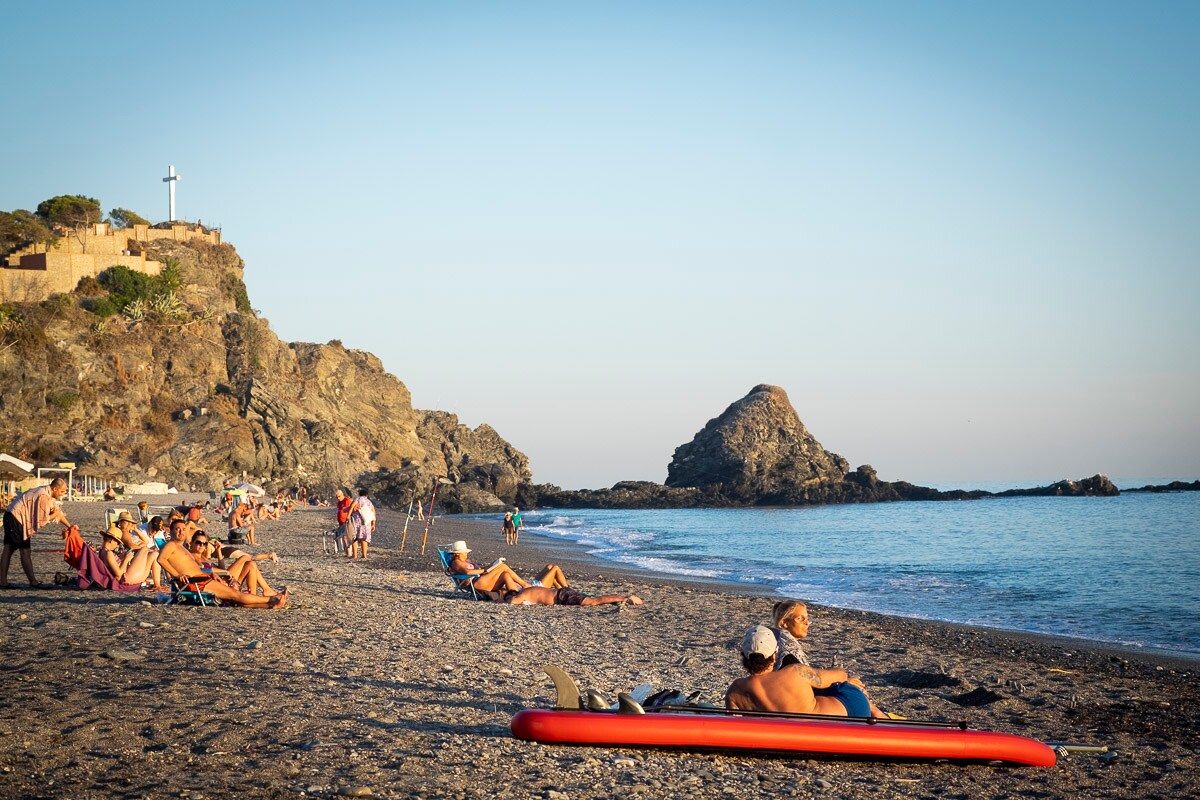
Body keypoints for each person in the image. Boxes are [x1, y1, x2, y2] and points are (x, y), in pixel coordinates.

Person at [725, 626, 885, 718]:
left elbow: (735, 721)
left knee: (810, 689)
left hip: (799, 722)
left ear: (744, 657)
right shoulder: (795, 672)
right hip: (851, 708)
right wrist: (842, 676)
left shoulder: (735, 690)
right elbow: (840, 675)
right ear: (774, 655)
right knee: (833, 684)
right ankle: (878, 714)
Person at [157, 522, 287, 609]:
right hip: (195, 583)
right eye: (177, 529)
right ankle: (271, 599)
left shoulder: (182, 548)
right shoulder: (171, 545)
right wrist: (177, 575)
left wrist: (211, 573)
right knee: (235, 595)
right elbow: (161, 559)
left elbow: (195, 567)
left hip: (202, 579)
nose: (180, 532)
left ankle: (270, 604)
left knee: (234, 597)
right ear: (171, 531)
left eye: (183, 529)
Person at [2, 478, 71, 589]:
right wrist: (56, 513)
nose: (63, 494)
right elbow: (44, 520)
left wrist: (70, 526)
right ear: (55, 489)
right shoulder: (43, 496)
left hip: (14, 517)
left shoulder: (48, 494)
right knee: (22, 551)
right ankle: (32, 582)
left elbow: (57, 512)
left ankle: (4, 582)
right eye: (62, 491)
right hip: (15, 518)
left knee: (9, 549)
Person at [445, 540, 568, 596]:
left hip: (482, 580)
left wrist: (491, 565)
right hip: (477, 583)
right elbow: (467, 572)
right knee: (555, 568)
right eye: (464, 552)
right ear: (457, 553)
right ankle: (567, 591)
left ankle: (563, 592)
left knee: (549, 567)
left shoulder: (464, 560)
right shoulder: (456, 563)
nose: (466, 554)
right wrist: (485, 570)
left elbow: (481, 569)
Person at [98, 522, 163, 591]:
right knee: (144, 549)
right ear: (112, 541)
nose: (117, 545)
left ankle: (157, 585)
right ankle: (157, 585)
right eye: (117, 543)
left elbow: (113, 567)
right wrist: (126, 559)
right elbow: (119, 574)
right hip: (127, 578)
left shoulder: (102, 551)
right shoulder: (109, 553)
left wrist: (122, 558)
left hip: (130, 576)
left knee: (154, 554)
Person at [504, 585, 643, 607]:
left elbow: (512, 602)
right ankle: (621, 598)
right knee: (594, 600)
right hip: (561, 593)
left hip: (562, 597)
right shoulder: (529, 589)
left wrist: (504, 599)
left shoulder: (523, 594)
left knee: (593, 602)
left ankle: (625, 599)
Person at [346, 489, 375, 560]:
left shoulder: (358, 499)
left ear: (359, 494)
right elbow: (373, 512)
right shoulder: (369, 502)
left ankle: (355, 556)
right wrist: (373, 524)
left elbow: (352, 506)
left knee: (354, 538)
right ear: (367, 495)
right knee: (364, 539)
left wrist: (348, 516)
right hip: (366, 522)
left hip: (357, 521)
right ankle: (364, 555)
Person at [334, 489, 352, 554]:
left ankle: (349, 553)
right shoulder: (339, 503)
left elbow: (350, 510)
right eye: (337, 497)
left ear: (342, 495)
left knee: (347, 537)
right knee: (343, 537)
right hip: (341, 522)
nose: (338, 498)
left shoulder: (347, 501)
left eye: (339, 496)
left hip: (347, 522)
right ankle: (347, 552)